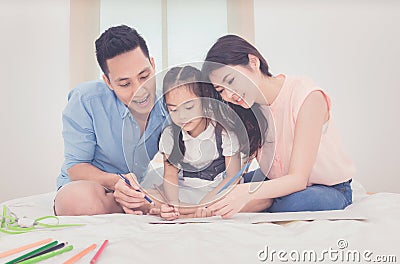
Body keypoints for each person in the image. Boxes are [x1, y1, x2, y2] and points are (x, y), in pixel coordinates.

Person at [202, 35, 355, 218]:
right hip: (274, 179)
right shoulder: (248, 109)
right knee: (224, 190)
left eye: (231, 81)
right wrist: (191, 209)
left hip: (328, 188)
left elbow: (298, 179)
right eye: (221, 91)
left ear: (253, 62)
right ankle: (261, 199)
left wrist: (248, 193)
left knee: (296, 203)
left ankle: (264, 200)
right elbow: (234, 175)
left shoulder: (307, 96)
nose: (229, 94)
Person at [54, 25, 167, 216]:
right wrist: (117, 182)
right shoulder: (86, 99)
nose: (140, 90)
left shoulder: (169, 102)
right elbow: (76, 167)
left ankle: (131, 203)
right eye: (125, 83)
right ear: (108, 82)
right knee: (75, 202)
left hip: (136, 189)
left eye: (145, 76)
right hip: (92, 186)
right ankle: (134, 205)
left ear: (153, 65)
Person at [157, 66, 243, 220]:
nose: (182, 116)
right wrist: (174, 204)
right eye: (174, 110)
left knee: (255, 200)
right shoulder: (170, 135)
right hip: (185, 192)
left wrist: (206, 203)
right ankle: (188, 212)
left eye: (189, 107)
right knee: (150, 197)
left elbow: (233, 177)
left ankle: (195, 212)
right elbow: (170, 176)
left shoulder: (223, 132)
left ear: (205, 101)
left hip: (218, 192)